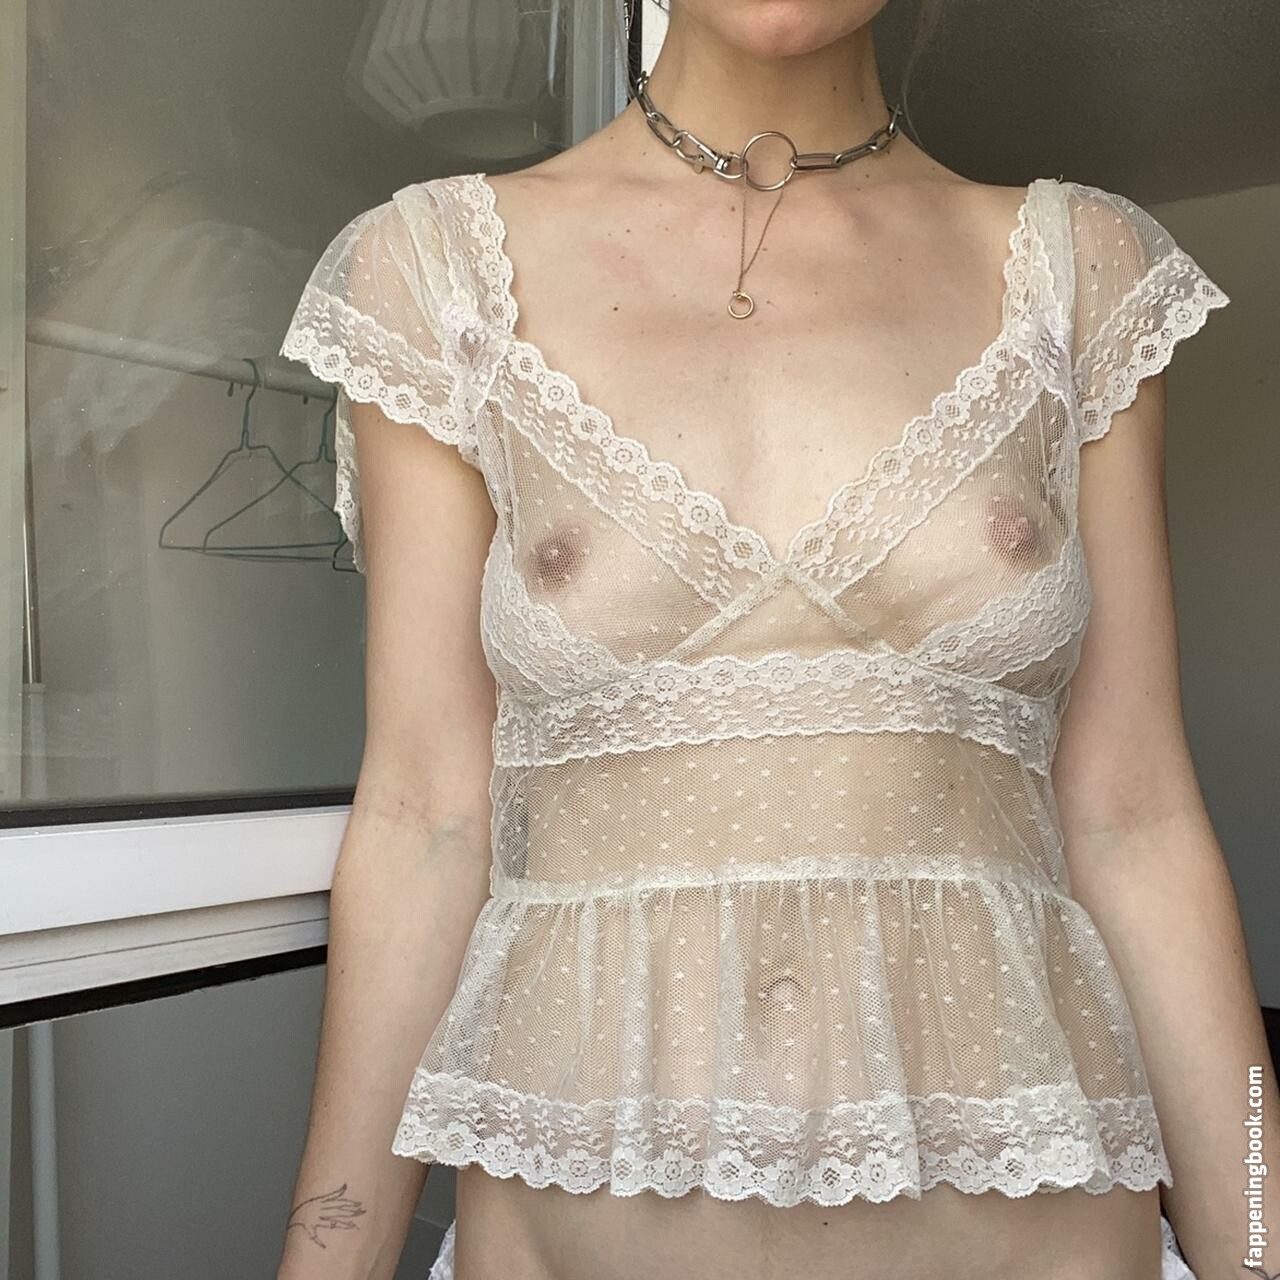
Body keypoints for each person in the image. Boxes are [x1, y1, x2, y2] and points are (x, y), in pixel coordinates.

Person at [274, 3, 1279, 1278]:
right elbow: (423, 818)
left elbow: (1135, 818)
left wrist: (1259, 1237)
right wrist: (325, 1259)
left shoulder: (1082, 268)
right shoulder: (431, 272)